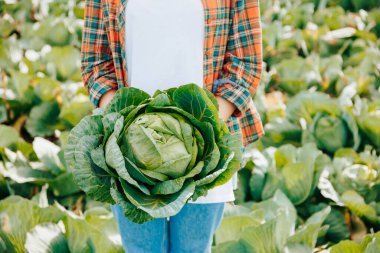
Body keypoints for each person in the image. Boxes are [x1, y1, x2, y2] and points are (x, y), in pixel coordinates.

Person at [80, 0, 264, 252]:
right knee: (141, 249)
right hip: (131, 152)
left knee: (193, 248)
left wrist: (206, 127)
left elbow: (246, 63)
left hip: (205, 149)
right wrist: (123, 122)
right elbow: (95, 63)